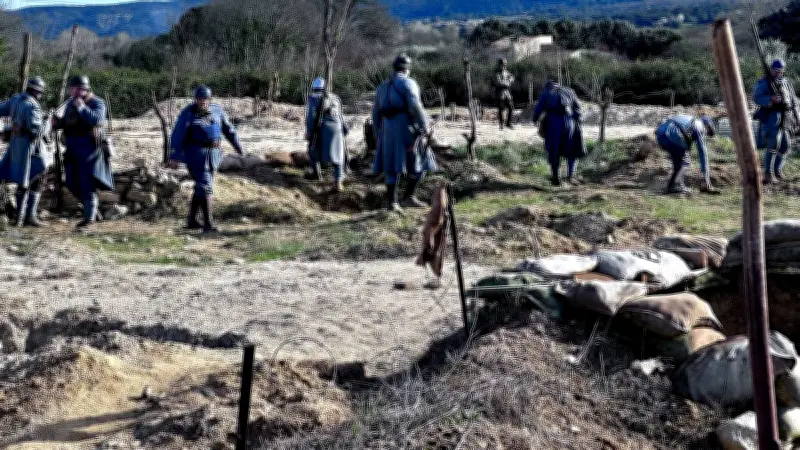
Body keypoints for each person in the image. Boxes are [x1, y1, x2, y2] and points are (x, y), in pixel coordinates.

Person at [170, 85, 243, 233]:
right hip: (196, 153)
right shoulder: (188, 113)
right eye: (199, 99)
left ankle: (192, 220)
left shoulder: (217, 111)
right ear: (195, 99)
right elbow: (177, 135)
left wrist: (238, 146)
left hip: (214, 153)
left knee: (201, 186)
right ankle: (208, 223)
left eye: (205, 99)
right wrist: (174, 156)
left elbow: (228, 130)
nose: (202, 102)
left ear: (209, 99)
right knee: (205, 186)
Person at [372, 53, 436, 212]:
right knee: (422, 159)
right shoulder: (409, 84)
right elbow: (415, 106)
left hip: (387, 128)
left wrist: (378, 132)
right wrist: (425, 127)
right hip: (406, 127)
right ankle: (408, 197)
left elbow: (375, 112)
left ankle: (393, 203)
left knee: (391, 165)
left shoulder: (382, 86)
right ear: (407, 69)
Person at [52, 75, 113, 229]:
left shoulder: (97, 102)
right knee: (71, 181)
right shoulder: (70, 104)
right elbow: (67, 123)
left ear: (82, 89)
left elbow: (97, 120)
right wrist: (56, 123)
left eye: (73, 88)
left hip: (88, 149)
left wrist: (82, 108)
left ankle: (89, 219)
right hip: (72, 148)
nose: (71, 91)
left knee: (87, 183)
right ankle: (91, 210)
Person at [0, 77, 50, 227]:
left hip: (16, 146)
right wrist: (48, 122)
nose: (40, 96)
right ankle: (27, 217)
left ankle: (21, 218)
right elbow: (38, 131)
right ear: (36, 91)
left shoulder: (16, 99)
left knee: (25, 180)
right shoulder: (33, 106)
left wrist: (10, 128)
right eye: (40, 93)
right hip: (30, 149)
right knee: (36, 177)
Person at [531, 78, 586, 186]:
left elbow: (538, 109)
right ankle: (571, 176)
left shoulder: (546, 92)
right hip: (570, 122)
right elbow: (578, 109)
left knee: (554, 149)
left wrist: (535, 119)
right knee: (571, 149)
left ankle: (556, 177)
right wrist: (577, 120)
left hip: (554, 122)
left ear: (547, 85)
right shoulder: (569, 91)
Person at [754, 59, 800, 184]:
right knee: (773, 143)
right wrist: (770, 99)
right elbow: (757, 98)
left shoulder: (786, 82)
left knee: (785, 145)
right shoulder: (764, 82)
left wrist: (797, 116)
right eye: (775, 70)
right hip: (771, 117)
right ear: (771, 70)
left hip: (786, 116)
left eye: (780, 71)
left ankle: (777, 170)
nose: (778, 73)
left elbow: (793, 100)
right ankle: (768, 173)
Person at [304, 77, 348, 192]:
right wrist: (344, 130)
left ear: (314, 88)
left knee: (312, 148)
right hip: (337, 128)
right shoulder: (336, 98)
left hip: (322, 128)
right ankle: (338, 182)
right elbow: (341, 116)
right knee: (338, 155)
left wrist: (309, 132)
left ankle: (316, 173)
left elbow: (311, 117)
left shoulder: (313, 98)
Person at [655, 114, 716, 194]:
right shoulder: (700, 125)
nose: (706, 134)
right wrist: (705, 175)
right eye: (708, 132)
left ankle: (671, 186)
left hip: (661, 135)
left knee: (678, 163)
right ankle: (677, 185)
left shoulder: (689, 120)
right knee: (685, 161)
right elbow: (702, 151)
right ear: (707, 125)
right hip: (674, 135)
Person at [492, 57, 515, 130]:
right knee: (501, 109)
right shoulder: (497, 73)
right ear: (499, 65)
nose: (504, 66)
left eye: (505, 65)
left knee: (511, 108)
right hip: (500, 93)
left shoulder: (507, 72)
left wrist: (510, 80)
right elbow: (498, 82)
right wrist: (507, 83)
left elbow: (512, 77)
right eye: (502, 65)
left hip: (507, 93)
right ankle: (501, 124)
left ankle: (508, 123)